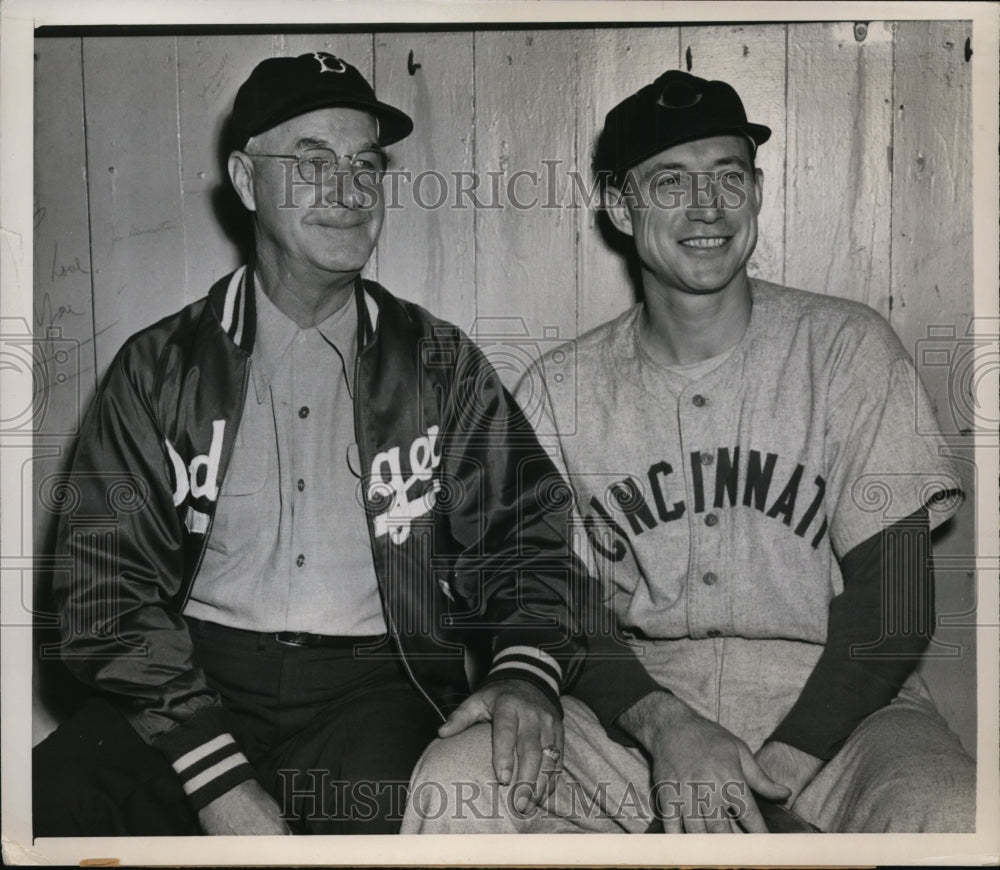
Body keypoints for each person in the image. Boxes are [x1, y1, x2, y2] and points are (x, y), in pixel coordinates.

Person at [32, 51, 599, 837]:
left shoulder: (440, 363)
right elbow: (103, 592)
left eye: (365, 165)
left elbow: (526, 536)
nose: (348, 189)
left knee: (415, 818)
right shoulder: (160, 366)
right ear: (243, 178)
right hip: (188, 678)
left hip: (375, 683)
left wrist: (524, 671)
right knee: (48, 802)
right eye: (311, 162)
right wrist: (216, 778)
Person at [402, 69, 976, 834]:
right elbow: (550, 604)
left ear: (758, 192)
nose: (706, 207)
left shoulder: (847, 350)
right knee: (461, 784)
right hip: (632, 710)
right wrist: (666, 728)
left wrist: (769, 780)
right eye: (669, 180)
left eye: (727, 176)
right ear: (618, 204)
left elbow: (895, 608)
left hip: (843, 714)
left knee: (954, 813)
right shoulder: (559, 389)